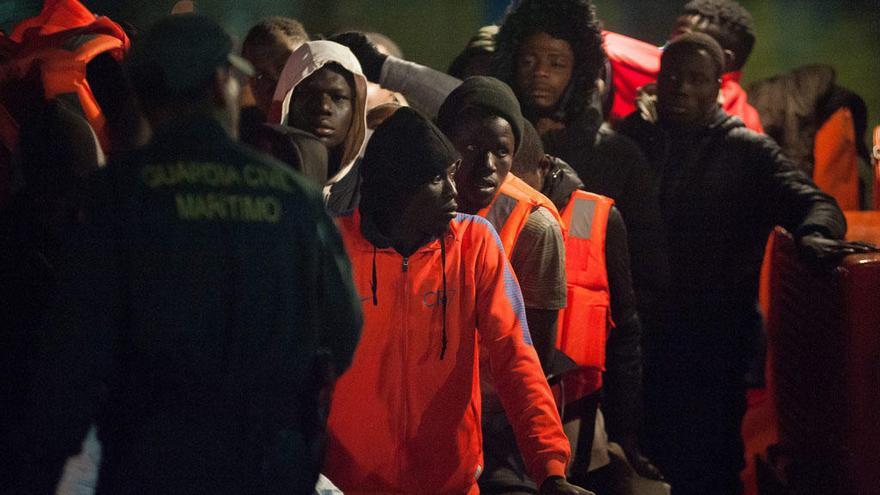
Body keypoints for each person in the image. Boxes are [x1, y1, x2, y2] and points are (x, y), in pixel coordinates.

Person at [7, 14, 362, 494]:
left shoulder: (117, 196)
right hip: (267, 465)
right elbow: (342, 329)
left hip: (151, 465)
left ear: (146, 96)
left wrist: (42, 468)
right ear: (221, 84)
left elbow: (74, 355)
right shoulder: (292, 195)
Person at [617, 33, 856, 495]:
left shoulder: (746, 151)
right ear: (658, 81)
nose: (683, 89)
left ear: (717, 86)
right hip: (640, 344)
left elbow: (817, 204)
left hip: (713, 348)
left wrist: (815, 236)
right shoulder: (633, 142)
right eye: (673, 77)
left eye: (696, 79)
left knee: (708, 472)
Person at [324, 105, 591, 495]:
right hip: (343, 486)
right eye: (436, 178)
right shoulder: (330, 248)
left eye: (450, 174)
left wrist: (550, 469)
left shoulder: (476, 243)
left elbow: (517, 360)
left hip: (451, 485)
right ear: (395, 188)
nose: (454, 190)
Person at [511, 121, 664, 491]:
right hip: (493, 417)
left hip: (575, 421)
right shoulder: (476, 212)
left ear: (543, 168)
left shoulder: (593, 219)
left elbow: (625, 333)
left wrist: (625, 434)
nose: (509, 192)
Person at [605, 0, 764, 132]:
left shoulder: (740, 124)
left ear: (725, 59)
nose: (669, 50)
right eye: (673, 40)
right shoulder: (750, 120)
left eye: (684, 41)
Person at [270, 40, 368, 216]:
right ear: (288, 100)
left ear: (356, 108)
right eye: (309, 94)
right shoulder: (260, 178)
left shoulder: (372, 187)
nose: (323, 107)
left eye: (338, 97)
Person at [241, 16, 309, 118]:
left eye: (284, 70)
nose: (275, 84)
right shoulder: (241, 127)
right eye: (260, 75)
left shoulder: (333, 126)